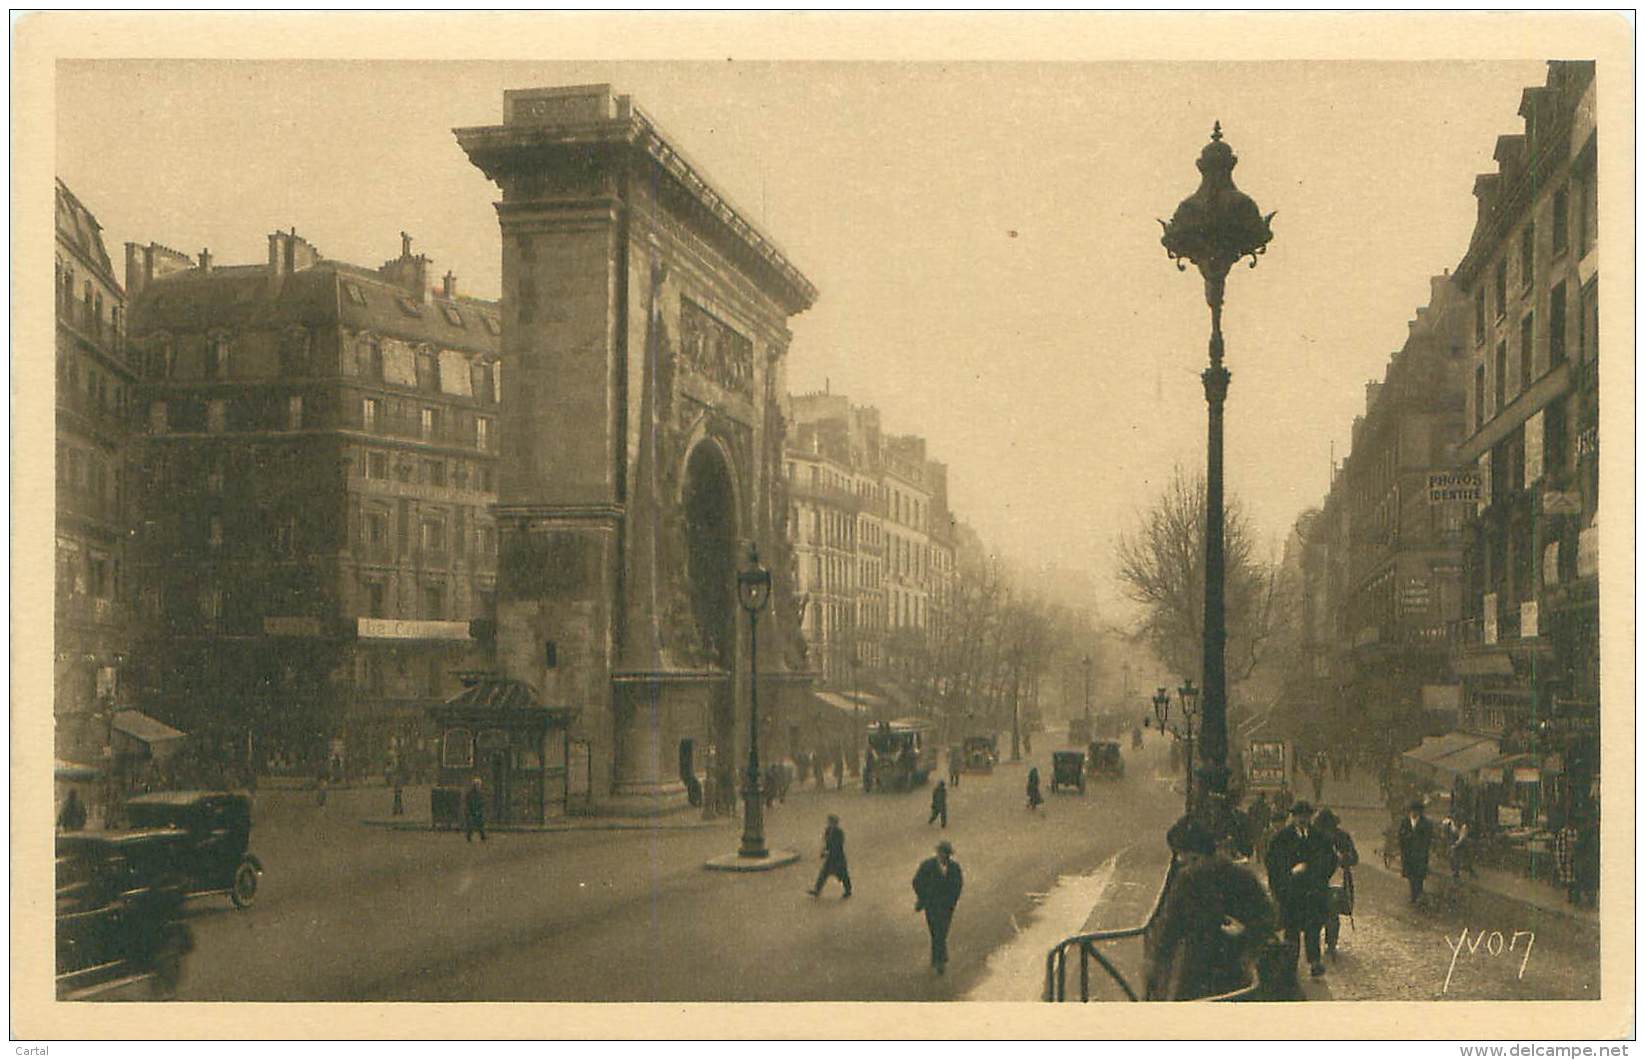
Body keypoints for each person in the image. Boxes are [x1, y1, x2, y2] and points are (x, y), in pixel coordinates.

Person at [1145, 818, 1277, 1000]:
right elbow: (1268, 916)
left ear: (1193, 853)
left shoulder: (1187, 879)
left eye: (1181, 854)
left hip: (1197, 969)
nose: (1179, 859)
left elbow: (1169, 929)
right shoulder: (1241, 875)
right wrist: (1247, 932)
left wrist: (1154, 967)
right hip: (1237, 967)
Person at [1264, 799, 1338, 980]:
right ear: (1293, 817)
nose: (1302, 819)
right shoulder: (1281, 838)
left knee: (1313, 928)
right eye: (1299, 816)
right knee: (1292, 930)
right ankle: (1290, 965)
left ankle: (1314, 962)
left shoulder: (1320, 838)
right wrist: (1287, 876)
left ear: (1311, 817)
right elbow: (1272, 864)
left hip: (1313, 892)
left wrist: (1318, 876)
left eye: (1306, 816)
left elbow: (1330, 861)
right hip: (1291, 893)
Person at [912, 839, 963, 974]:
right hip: (932, 906)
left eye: (946, 854)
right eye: (941, 853)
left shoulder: (954, 868)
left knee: (942, 932)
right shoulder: (927, 866)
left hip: (947, 907)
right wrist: (923, 897)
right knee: (937, 932)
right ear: (938, 853)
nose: (943, 856)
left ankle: (937, 959)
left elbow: (958, 886)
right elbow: (917, 882)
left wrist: (952, 901)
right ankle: (940, 961)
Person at [1313, 808, 1358, 957]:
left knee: (1332, 912)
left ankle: (1331, 943)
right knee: (1317, 912)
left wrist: (1343, 858)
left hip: (1336, 880)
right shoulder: (1314, 837)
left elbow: (1354, 857)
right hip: (1317, 879)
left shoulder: (1342, 837)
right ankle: (1315, 942)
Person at [1397, 798, 1434, 904]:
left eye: (1416, 811)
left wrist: (1421, 847)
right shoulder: (1405, 822)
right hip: (1408, 853)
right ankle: (1414, 894)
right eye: (1412, 811)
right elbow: (1401, 836)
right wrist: (1407, 841)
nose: (1414, 813)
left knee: (1419, 875)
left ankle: (1418, 893)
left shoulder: (1425, 823)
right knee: (1411, 875)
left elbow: (1427, 839)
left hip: (1420, 854)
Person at [809, 814, 852, 899]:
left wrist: (828, 852)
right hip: (830, 858)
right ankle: (817, 890)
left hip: (838, 858)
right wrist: (824, 850)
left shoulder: (839, 833)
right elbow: (826, 842)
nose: (829, 824)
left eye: (831, 822)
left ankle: (848, 890)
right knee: (823, 874)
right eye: (829, 822)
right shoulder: (828, 831)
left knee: (842, 875)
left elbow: (838, 845)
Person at [1446, 816, 1476, 880]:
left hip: (1463, 844)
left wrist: (1455, 845)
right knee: (1454, 858)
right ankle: (1456, 873)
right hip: (1456, 844)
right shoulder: (1452, 824)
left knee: (1463, 859)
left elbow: (1462, 838)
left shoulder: (1464, 827)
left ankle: (1471, 872)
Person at [463, 777, 487, 842]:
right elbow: (467, 803)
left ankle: (483, 836)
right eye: (476, 785)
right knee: (470, 824)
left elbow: (482, 803)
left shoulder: (481, 794)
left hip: (478, 811)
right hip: (471, 811)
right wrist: (469, 811)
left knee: (481, 824)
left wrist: (480, 811)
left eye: (479, 785)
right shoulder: (470, 794)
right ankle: (469, 837)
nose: (478, 786)